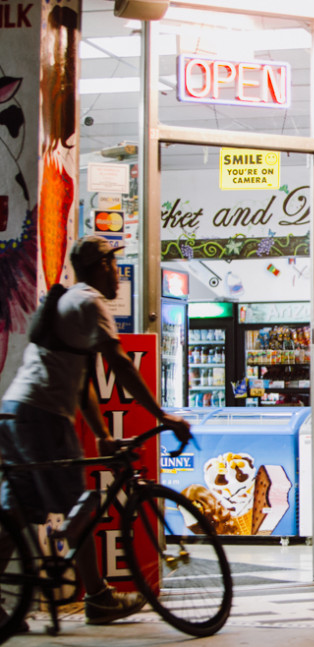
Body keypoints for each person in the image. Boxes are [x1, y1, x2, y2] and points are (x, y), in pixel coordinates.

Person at [0, 236, 191, 626]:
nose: (119, 276)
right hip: (44, 416)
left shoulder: (68, 300)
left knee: (17, 510)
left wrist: (101, 432)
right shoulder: (89, 301)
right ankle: (100, 598)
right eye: (114, 266)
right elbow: (119, 364)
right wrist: (161, 415)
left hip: (16, 410)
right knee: (80, 508)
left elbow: (82, 380)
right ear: (98, 266)